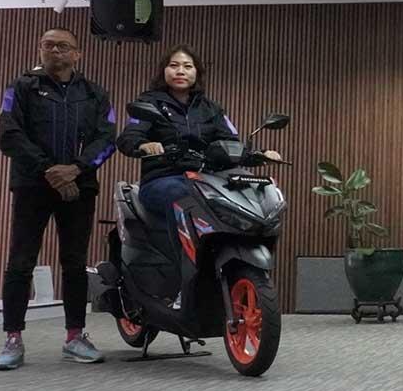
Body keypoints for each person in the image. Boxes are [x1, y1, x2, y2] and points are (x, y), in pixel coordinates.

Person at [116, 45, 280, 304]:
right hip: (163, 179)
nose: (180, 71)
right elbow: (129, 137)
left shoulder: (211, 108)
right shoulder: (149, 103)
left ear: (197, 73)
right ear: (164, 71)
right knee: (184, 197)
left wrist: (259, 154)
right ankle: (181, 282)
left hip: (206, 179)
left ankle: (223, 262)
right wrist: (144, 145)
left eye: (187, 66)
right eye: (174, 65)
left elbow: (231, 142)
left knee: (247, 195)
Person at [0, 27, 116, 370]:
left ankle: (75, 337)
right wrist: (49, 170)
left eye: (63, 46)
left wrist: (76, 169)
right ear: (40, 50)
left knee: (74, 263)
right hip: (31, 186)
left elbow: (107, 139)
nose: (55, 51)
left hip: (79, 188)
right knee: (20, 261)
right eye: (48, 45)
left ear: (77, 54)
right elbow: (9, 135)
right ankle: (13, 339)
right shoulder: (20, 88)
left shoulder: (95, 93)